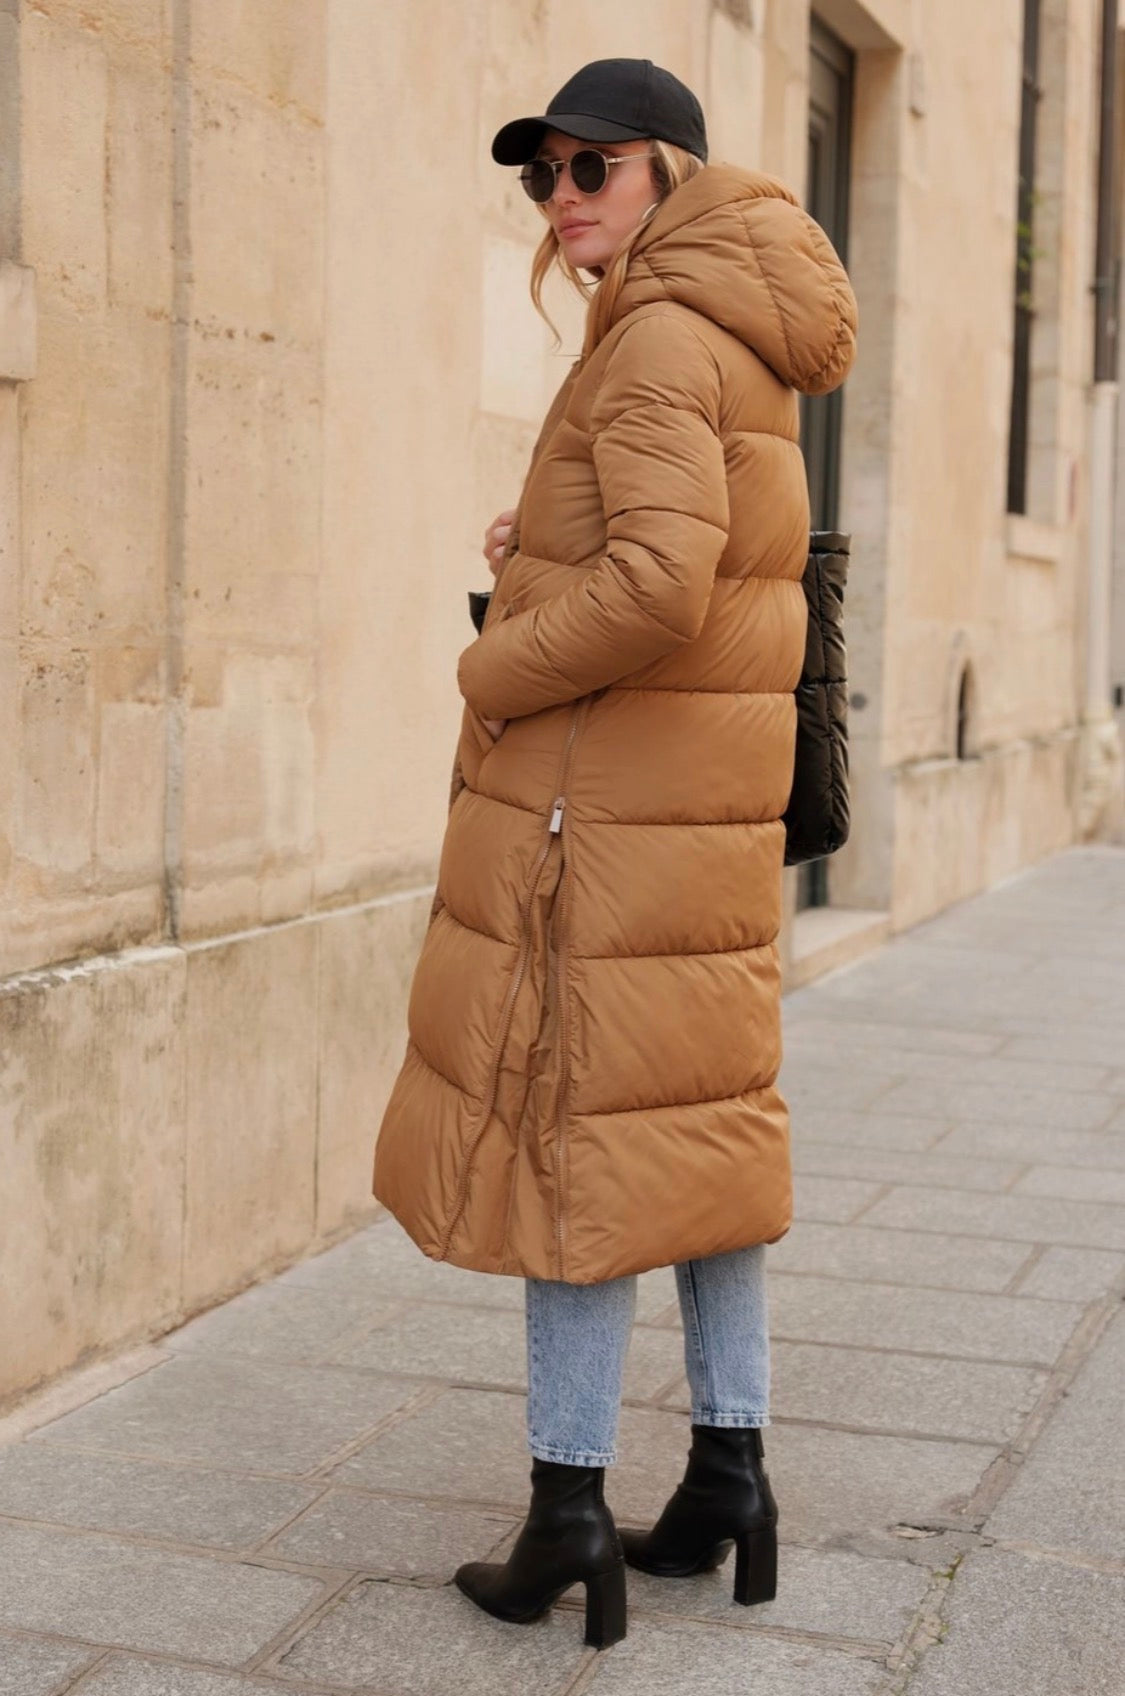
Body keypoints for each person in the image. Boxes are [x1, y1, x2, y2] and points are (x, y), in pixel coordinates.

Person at [373, 57, 857, 1650]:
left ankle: (565, 1509)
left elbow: (657, 586)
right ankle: (729, 1475)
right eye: (544, 174)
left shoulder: (651, 334)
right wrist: (541, 544)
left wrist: (491, 657)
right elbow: (702, 547)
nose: (564, 195)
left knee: (575, 1133)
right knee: (695, 1128)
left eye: (595, 166)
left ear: (671, 172)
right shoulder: (733, 323)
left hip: (614, 811)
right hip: (699, 809)